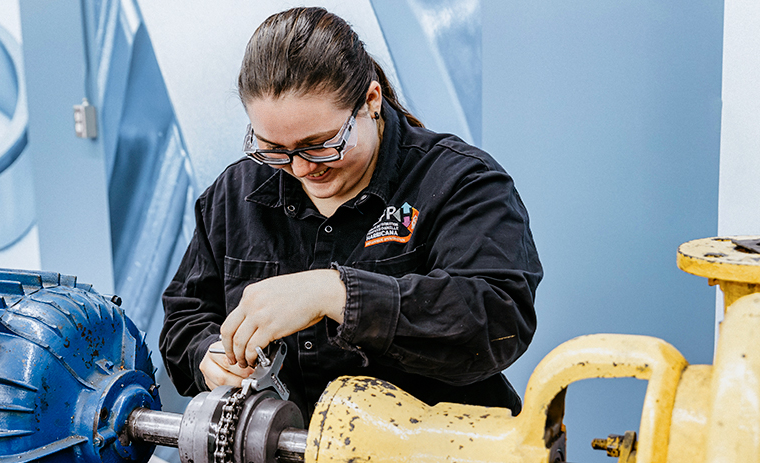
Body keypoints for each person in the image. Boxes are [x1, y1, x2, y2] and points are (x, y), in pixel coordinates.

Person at [160, 6, 542, 420]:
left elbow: (497, 320)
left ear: (371, 102)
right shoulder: (234, 196)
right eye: (274, 149)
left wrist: (335, 293)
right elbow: (185, 317)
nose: (302, 167)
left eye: (322, 144)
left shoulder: (461, 183)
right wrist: (207, 354)